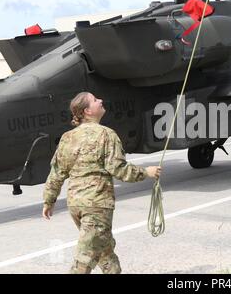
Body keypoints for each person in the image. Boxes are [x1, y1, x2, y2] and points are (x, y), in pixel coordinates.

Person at [42, 92, 161, 274]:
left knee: (105, 252)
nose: (101, 101)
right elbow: (119, 169)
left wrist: (49, 201)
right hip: (96, 205)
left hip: (76, 204)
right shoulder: (106, 134)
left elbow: (57, 172)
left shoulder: (67, 137)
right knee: (85, 258)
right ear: (87, 111)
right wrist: (146, 172)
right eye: (96, 100)